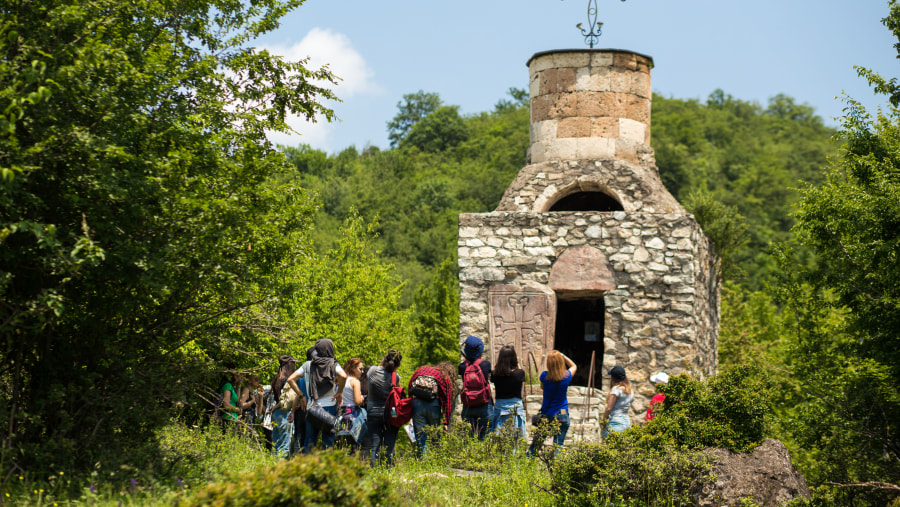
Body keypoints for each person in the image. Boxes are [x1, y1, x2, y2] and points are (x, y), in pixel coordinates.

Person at [290, 339, 347, 453]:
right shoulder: (333, 364)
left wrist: (301, 396)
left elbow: (290, 379)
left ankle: (307, 468)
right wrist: (339, 392)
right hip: (329, 408)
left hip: (312, 408)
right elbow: (343, 376)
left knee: (309, 442)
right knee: (329, 442)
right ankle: (326, 468)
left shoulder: (308, 365)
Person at [528, 350, 576, 455]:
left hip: (547, 413)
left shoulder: (544, 376)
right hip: (562, 412)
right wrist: (563, 355)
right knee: (558, 444)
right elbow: (574, 366)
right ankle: (555, 467)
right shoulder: (566, 376)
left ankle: (527, 461)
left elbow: (542, 387)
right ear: (561, 362)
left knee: (536, 443)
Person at [408, 362, 453, 457]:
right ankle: (435, 459)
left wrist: (410, 412)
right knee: (434, 434)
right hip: (433, 405)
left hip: (417, 404)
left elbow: (410, 387)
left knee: (421, 437)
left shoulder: (421, 370)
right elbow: (447, 400)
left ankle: (423, 462)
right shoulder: (444, 376)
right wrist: (446, 422)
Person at [366, 350, 402, 466]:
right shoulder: (395, 377)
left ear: (385, 359)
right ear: (397, 365)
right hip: (390, 414)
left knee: (374, 445)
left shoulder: (372, 371)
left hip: (373, 412)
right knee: (389, 445)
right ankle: (388, 470)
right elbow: (398, 395)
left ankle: (373, 470)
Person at [458, 335, 493, 440]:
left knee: (468, 441)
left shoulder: (462, 367)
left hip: (468, 405)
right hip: (484, 405)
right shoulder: (486, 365)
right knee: (485, 440)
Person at [490, 346, 527, 439]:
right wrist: (517, 364)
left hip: (500, 408)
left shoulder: (495, 374)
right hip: (515, 408)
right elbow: (521, 394)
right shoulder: (520, 373)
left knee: (498, 441)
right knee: (516, 441)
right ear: (514, 358)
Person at [335, 358, 367, 452]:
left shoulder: (339, 380)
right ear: (353, 368)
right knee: (352, 446)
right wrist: (362, 399)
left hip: (340, 415)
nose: (362, 371)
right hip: (352, 416)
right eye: (360, 369)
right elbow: (357, 402)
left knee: (340, 446)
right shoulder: (355, 382)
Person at [270, 355, 297, 458]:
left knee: (276, 444)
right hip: (284, 413)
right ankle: (281, 470)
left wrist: (274, 408)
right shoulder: (288, 380)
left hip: (276, 413)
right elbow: (286, 400)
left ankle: (272, 465)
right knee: (285, 446)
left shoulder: (276, 379)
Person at [602, 365, 634, 438]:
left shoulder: (616, 389)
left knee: (610, 446)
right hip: (626, 422)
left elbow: (609, 408)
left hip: (615, 422)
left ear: (613, 378)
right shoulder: (629, 391)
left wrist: (604, 420)